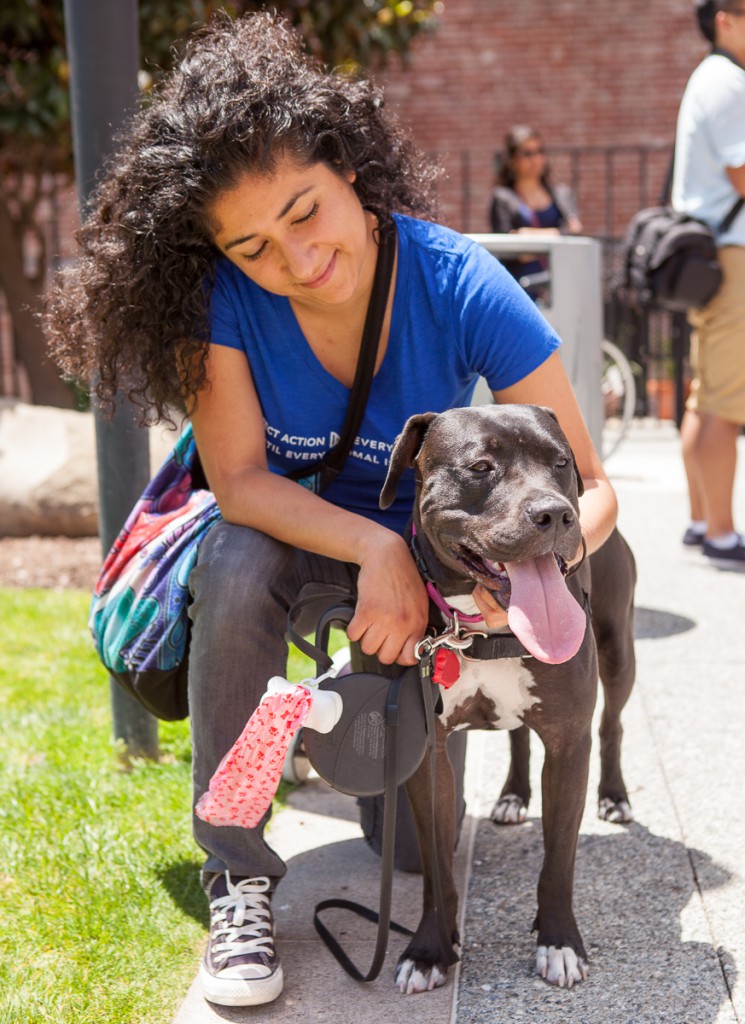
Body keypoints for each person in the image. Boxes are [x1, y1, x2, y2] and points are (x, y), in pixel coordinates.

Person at [44, 12, 617, 1009]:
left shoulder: (460, 281)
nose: (296, 259)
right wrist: (376, 550)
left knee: (400, 851)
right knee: (238, 556)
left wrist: (521, 584)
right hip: (303, 551)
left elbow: (590, 486)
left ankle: (328, 736)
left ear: (348, 168)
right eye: (254, 245)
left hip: (448, 566)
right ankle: (236, 870)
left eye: (305, 212)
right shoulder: (222, 304)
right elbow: (243, 487)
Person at [672, 0, 745, 564]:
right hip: (733, 254)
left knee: (705, 395)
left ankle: (702, 521)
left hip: (714, 257)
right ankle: (723, 534)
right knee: (728, 402)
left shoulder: (712, 78)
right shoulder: (728, 82)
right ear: (726, 18)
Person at [488, 125, 583, 299]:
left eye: (540, 151)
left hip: (560, 288)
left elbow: (574, 233)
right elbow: (508, 248)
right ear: (512, 159)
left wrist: (525, 234)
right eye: (527, 153)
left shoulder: (561, 194)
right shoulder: (502, 197)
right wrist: (556, 237)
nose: (536, 159)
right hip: (520, 291)